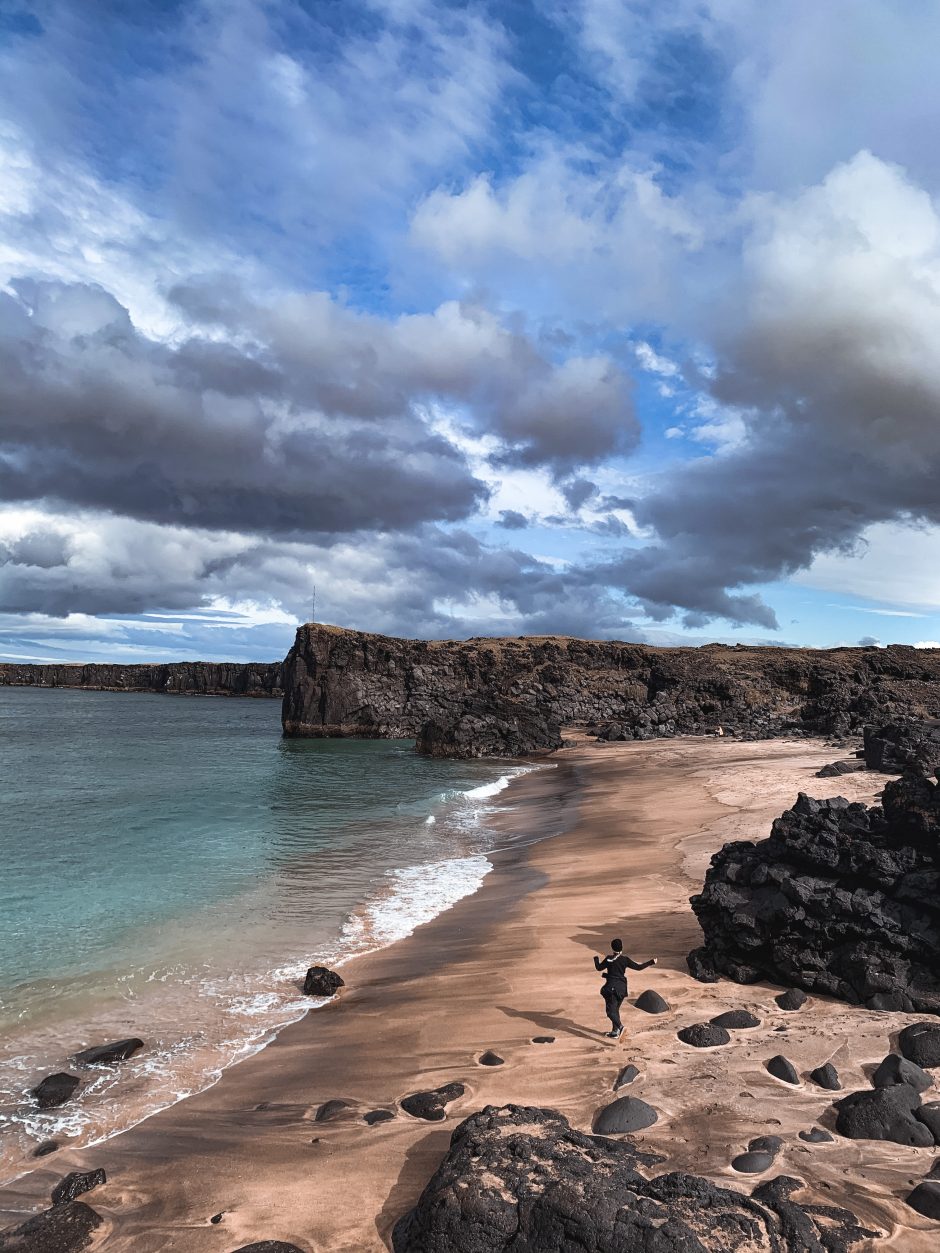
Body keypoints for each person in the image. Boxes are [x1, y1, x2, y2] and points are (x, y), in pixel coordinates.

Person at [593, 939, 656, 1038]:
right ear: (622, 947)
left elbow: (599, 968)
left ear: (612, 948)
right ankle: (615, 1032)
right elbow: (639, 967)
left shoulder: (609, 959)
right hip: (622, 988)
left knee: (610, 1012)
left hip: (612, 989)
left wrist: (596, 959)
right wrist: (651, 962)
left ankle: (621, 1028)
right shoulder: (625, 959)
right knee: (615, 1010)